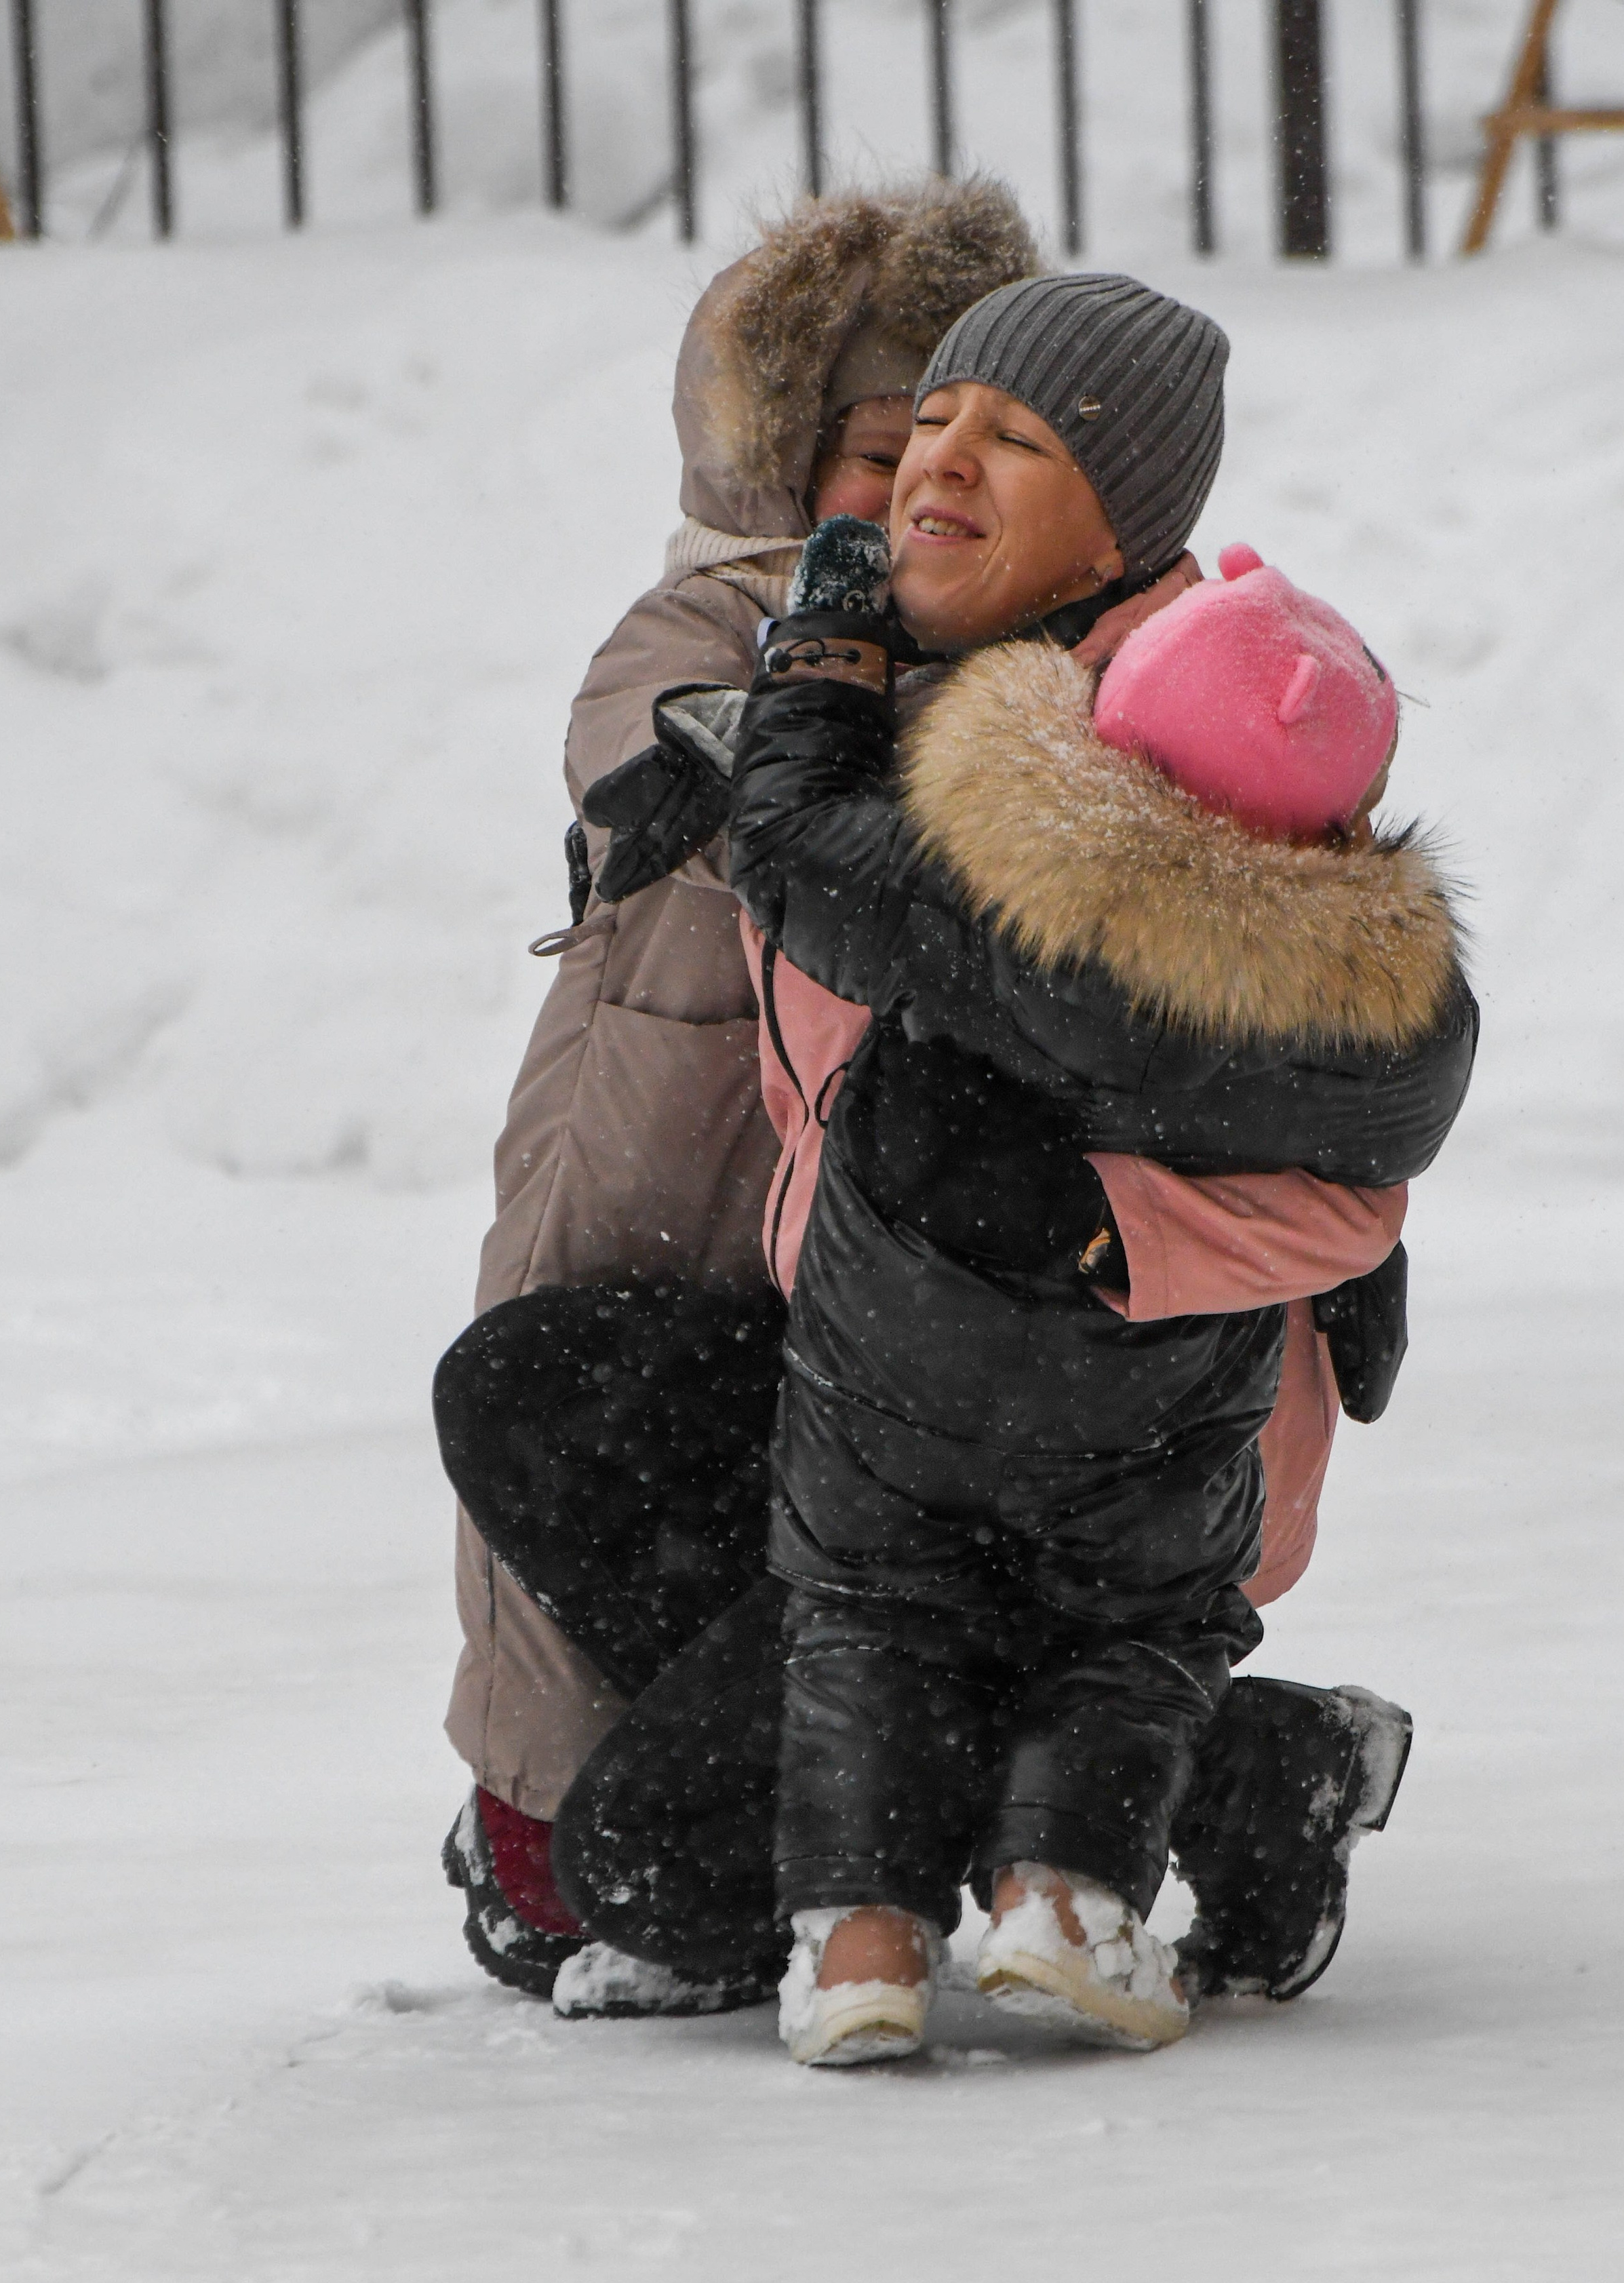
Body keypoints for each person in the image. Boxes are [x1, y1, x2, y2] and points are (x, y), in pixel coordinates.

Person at [540, 278, 1471, 2033]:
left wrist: (1105, 1228)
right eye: (923, 429)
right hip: (891, 1372)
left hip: (1129, 1437)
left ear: (1123, 523)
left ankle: (1255, 1769)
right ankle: (955, 1819)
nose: (936, 465)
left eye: (1011, 439)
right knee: (537, 1396)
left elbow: (1363, 1113)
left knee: (681, 1837)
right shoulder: (901, 661)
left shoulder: (1191, 735)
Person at [437, 180, 1042, 1996]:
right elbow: (639, 734)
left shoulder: (1045, 651)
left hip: (898, 1194)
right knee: (584, 1441)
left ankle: (944, 1819)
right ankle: (555, 1828)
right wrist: (801, 715)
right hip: (664, 1137)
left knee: (893, 1540)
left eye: (966, 438)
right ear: (781, 463)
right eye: (881, 448)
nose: (926, 484)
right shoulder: (715, 608)